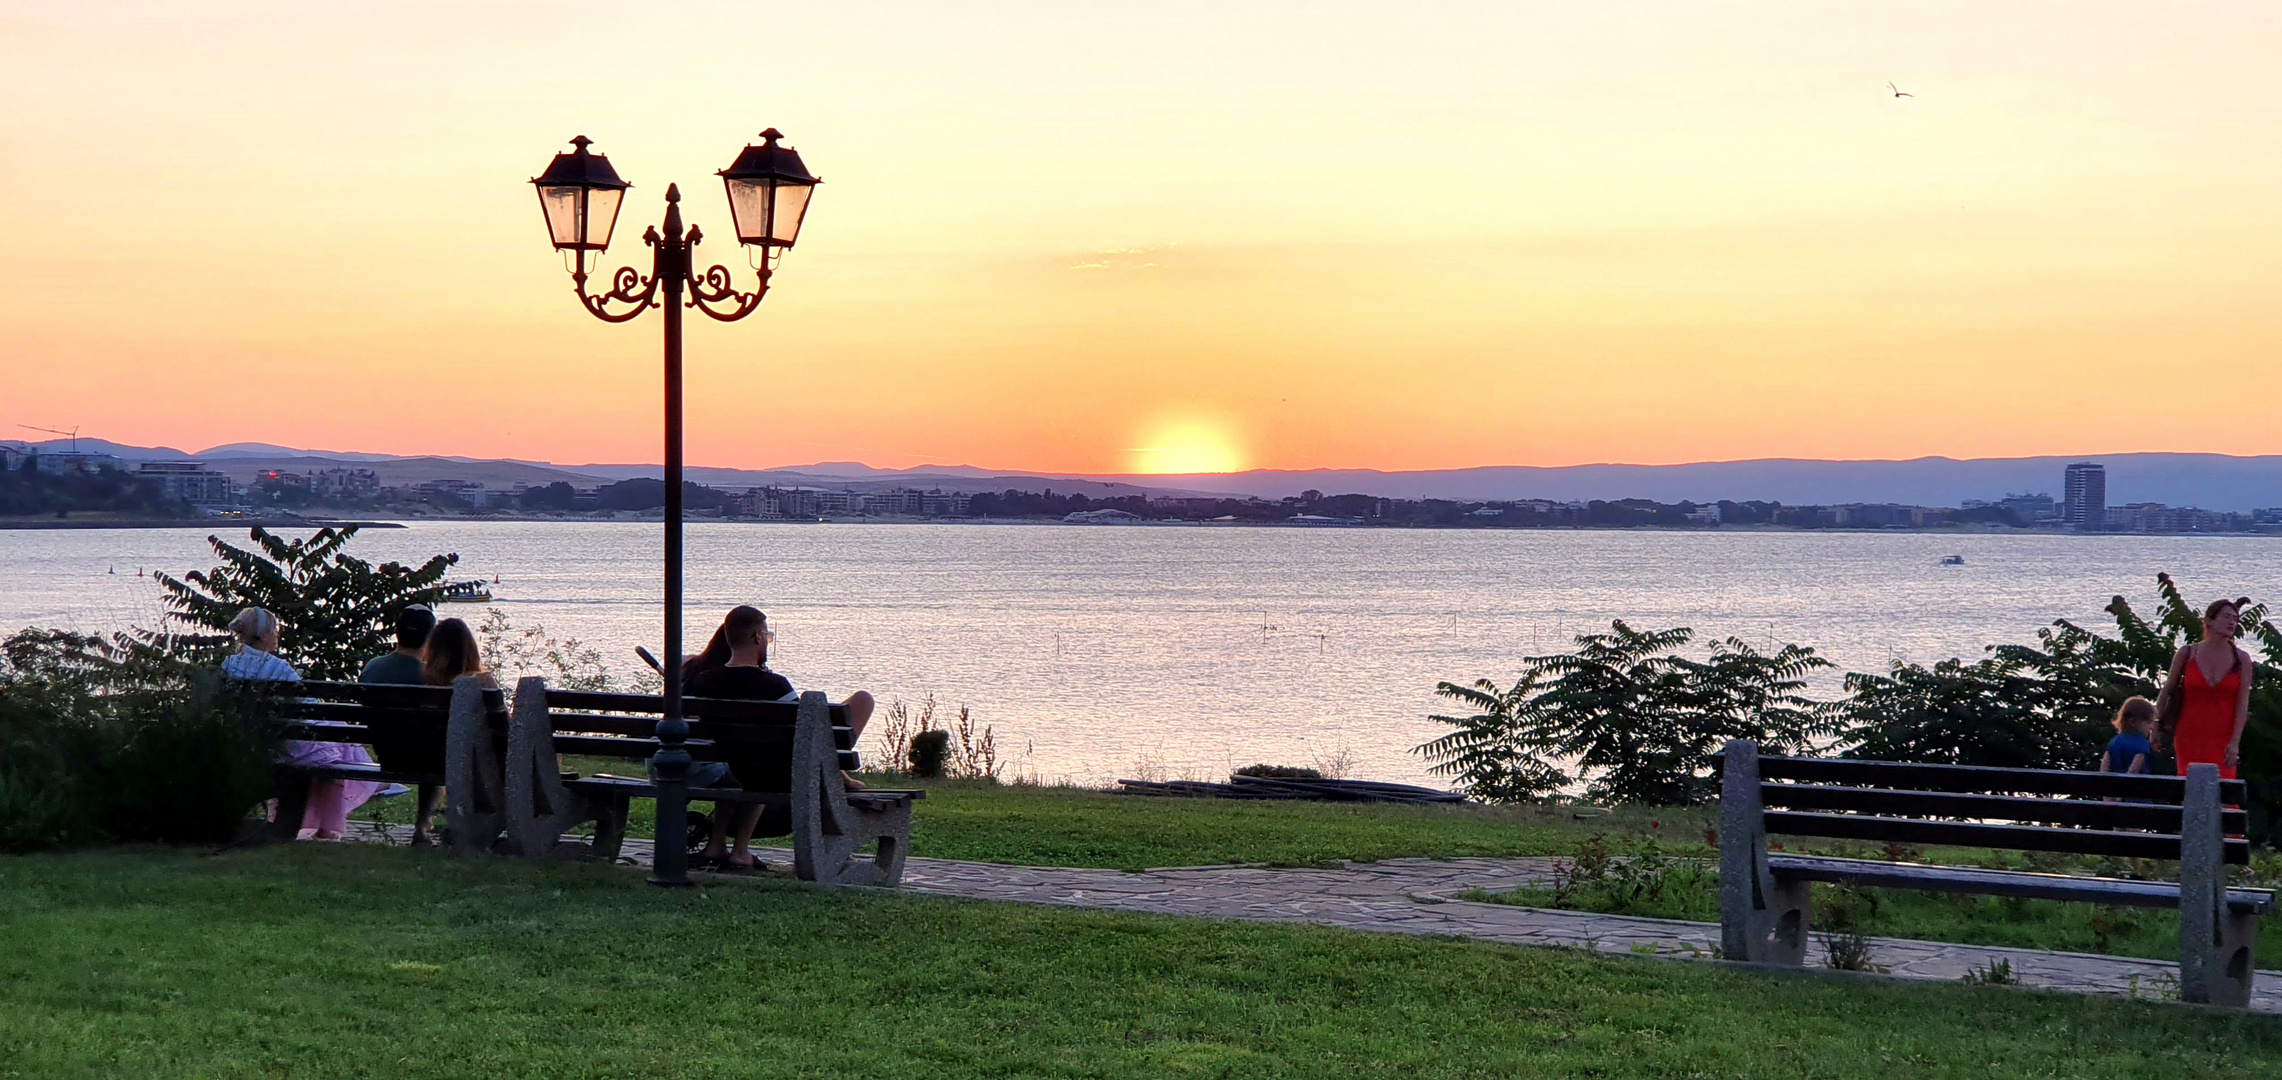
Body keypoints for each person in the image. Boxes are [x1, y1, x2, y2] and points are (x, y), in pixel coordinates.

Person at [683, 605, 875, 871]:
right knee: (861, 700)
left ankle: (732, 850)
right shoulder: (776, 686)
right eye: (767, 636)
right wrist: (841, 777)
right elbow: (807, 739)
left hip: (739, 770)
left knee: (761, 757)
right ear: (758, 638)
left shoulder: (705, 682)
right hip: (781, 776)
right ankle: (748, 852)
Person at [219, 606, 382, 840]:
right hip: (282, 747)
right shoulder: (278, 668)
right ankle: (329, 824)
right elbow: (309, 705)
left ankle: (320, 822)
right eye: (275, 630)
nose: (277, 634)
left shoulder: (229, 665)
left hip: (246, 742)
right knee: (337, 745)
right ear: (264, 636)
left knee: (332, 745)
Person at [359, 605, 444, 846]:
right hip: (427, 759)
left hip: (387, 754)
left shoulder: (372, 667)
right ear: (430, 638)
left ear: (397, 634)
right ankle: (421, 828)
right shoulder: (430, 674)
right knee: (435, 754)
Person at [2158, 598, 2255, 780]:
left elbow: (2242, 703)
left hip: (2223, 738)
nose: (2232, 622)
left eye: (2235, 618)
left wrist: (2235, 742)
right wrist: (2156, 724)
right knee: (2189, 788)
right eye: (2226, 616)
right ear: (2208, 621)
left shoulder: (2242, 660)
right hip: (2188, 734)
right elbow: (2167, 690)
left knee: (2224, 793)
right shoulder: (2187, 653)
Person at [2102, 696, 2157, 777]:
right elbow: (2134, 769)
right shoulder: (2142, 743)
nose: (2151, 727)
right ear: (2132, 722)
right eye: (2148, 723)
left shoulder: (2115, 741)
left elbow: (2104, 767)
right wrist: (2127, 782)